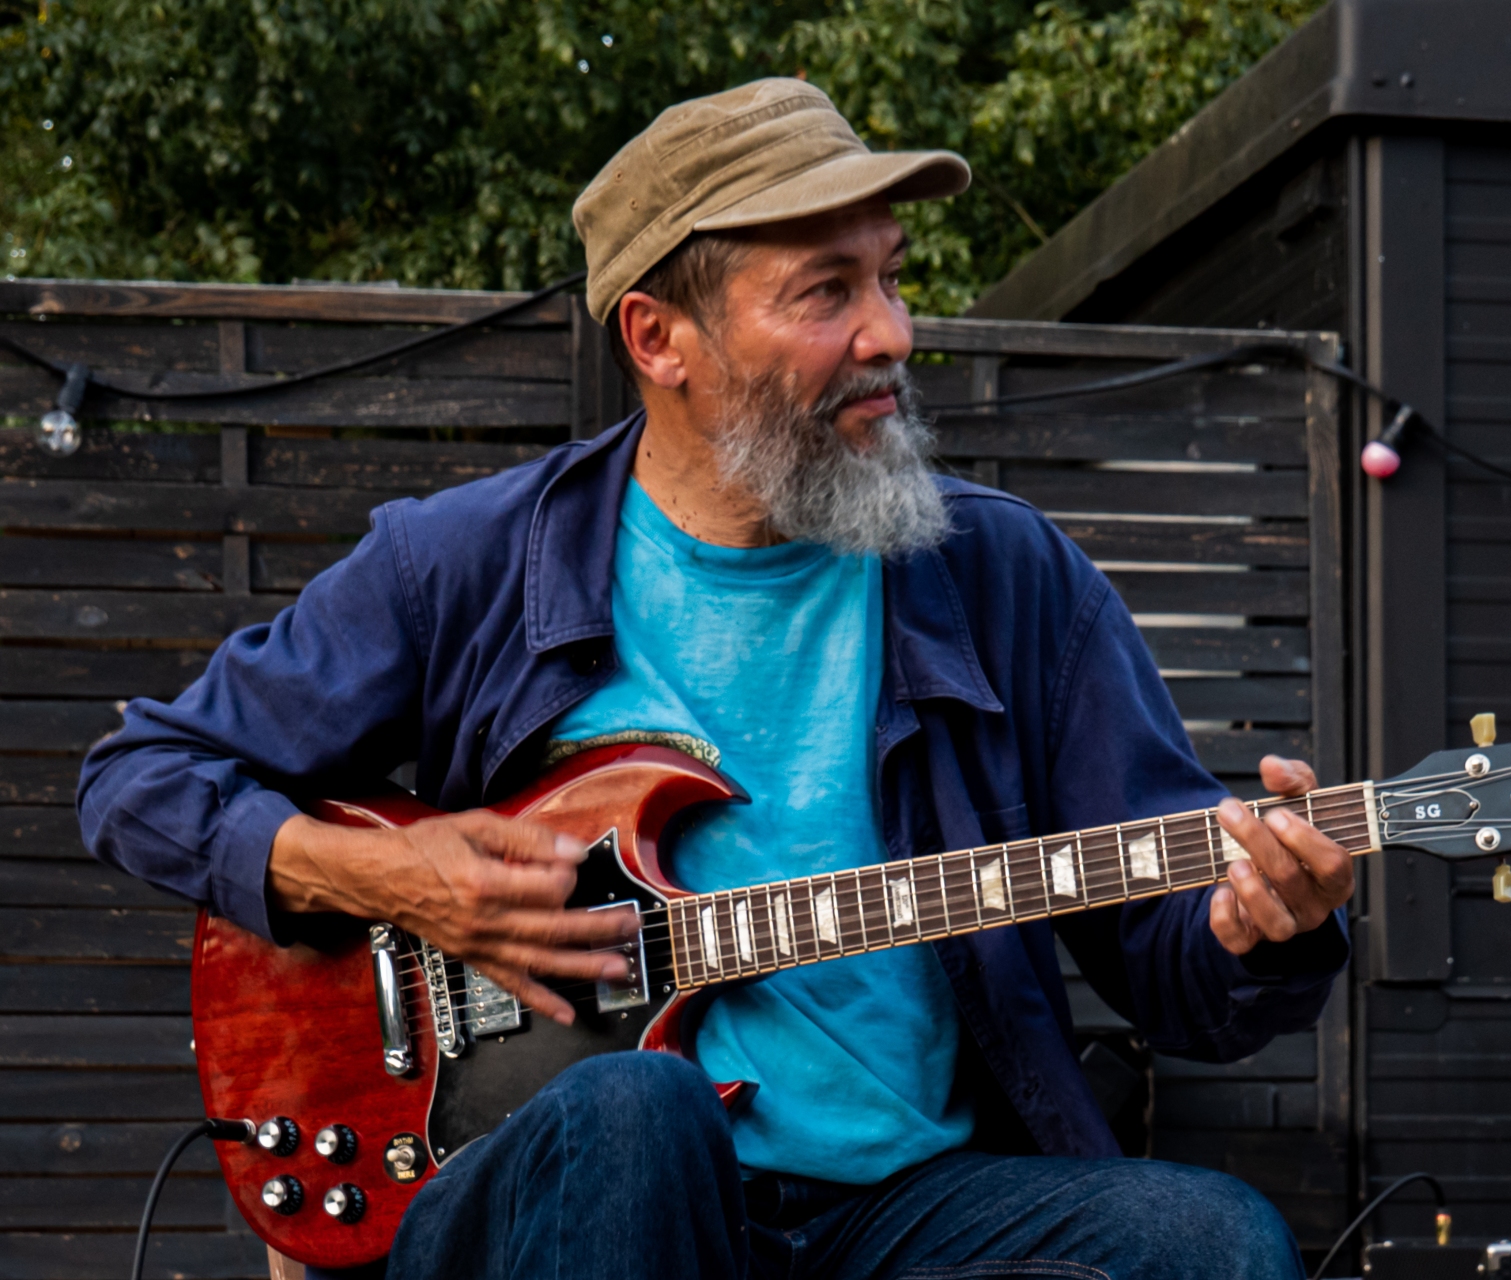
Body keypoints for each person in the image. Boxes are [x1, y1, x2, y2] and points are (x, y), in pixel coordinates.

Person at [78, 79, 1353, 1280]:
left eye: (892, 277)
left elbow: (1174, 968)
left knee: (1215, 1239)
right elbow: (140, 776)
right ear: (659, 337)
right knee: (642, 1109)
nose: (892, 333)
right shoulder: (464, 563)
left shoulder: (1003, 576)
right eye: (827, 292)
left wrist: (1261, 925)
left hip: (901, 1212)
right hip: (543, 1186)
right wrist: (394, 875)